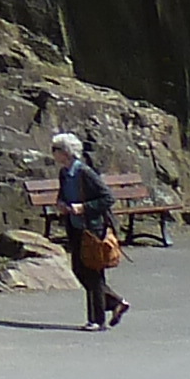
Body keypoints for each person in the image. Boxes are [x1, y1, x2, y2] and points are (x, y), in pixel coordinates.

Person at [52, 131, 129, 330]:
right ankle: (114, 303)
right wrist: (61, 203)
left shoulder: (85, 172)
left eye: (56, 150)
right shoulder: (64, 173)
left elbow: (107, 198)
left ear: (66, 152)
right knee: (79, 269)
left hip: (93, 228)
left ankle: (97, 320)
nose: (53, 154)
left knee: (93, 273)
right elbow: (64, 194)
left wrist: (83, 207)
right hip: (76, 228)